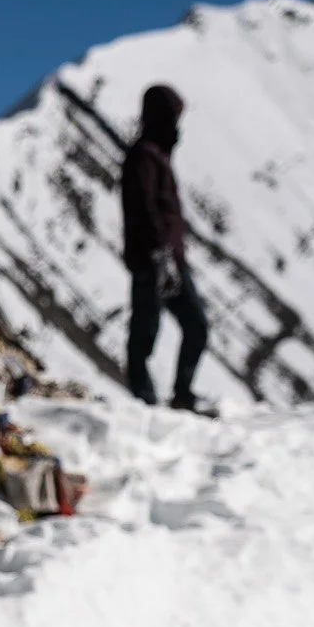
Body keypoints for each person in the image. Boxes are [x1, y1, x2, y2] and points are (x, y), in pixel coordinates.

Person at [120, 83, 212, 413]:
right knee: (146, 328)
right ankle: (143, 399)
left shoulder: (158, 157)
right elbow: (144, 207)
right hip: (153, 259)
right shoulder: (144, 156)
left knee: (196, 325)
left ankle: (182, 394)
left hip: (170, 259)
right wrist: (159, 253)